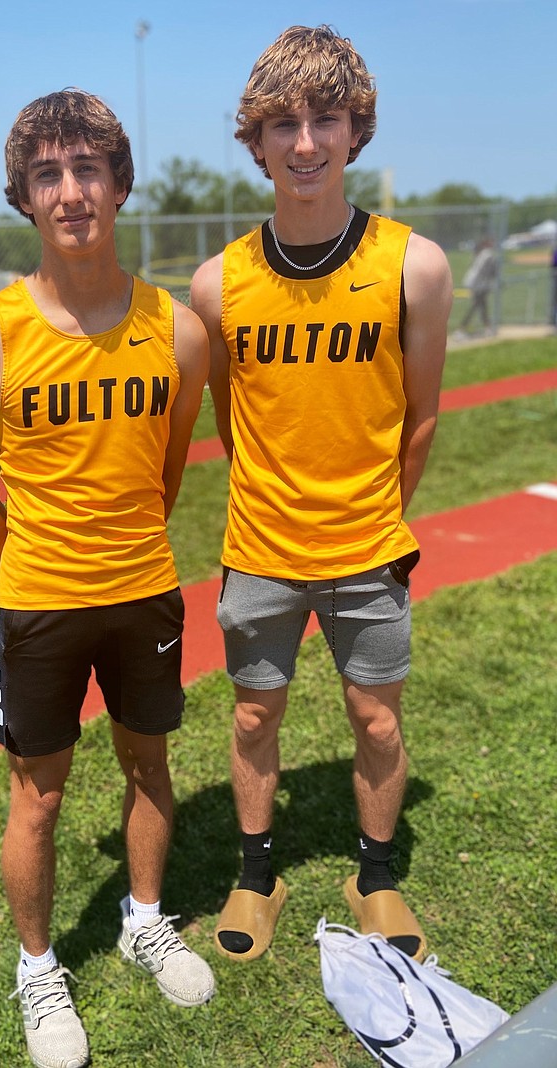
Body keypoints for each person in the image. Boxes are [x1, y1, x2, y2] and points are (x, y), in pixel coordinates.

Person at [0, 89, 214, 1068]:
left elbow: (166, 468)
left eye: (86, 167)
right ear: (23, 197)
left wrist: (115, 550)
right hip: (41, 605)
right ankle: (36, 970)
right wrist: (37, 567)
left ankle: (145, 919)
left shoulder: (178, 332)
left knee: (149, 764)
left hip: (144, 588)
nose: (70, 192)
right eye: (47, 174)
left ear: (120, 183)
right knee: (38, 799)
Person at [191, 25, 452, 966]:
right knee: (255, 713)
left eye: (326, 119)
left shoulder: (414, 265)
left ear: (356, 131)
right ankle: (257, 871)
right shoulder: (216, 285)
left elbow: (421, 417)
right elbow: (235, 421)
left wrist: (370, 516)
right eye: (283, 122)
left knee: (377, 717)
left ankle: (375, 874)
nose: (306, 142)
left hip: (368, 548)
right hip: (258, 549)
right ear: (255, 141)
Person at [458, 237, 498, 336]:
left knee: (482, 306)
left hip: (476, 283)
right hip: (479, 284)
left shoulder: (482, 254)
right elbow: (491, 271)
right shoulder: (487, 254)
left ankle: (487, 327)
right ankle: (462, 328)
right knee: (477, 306)